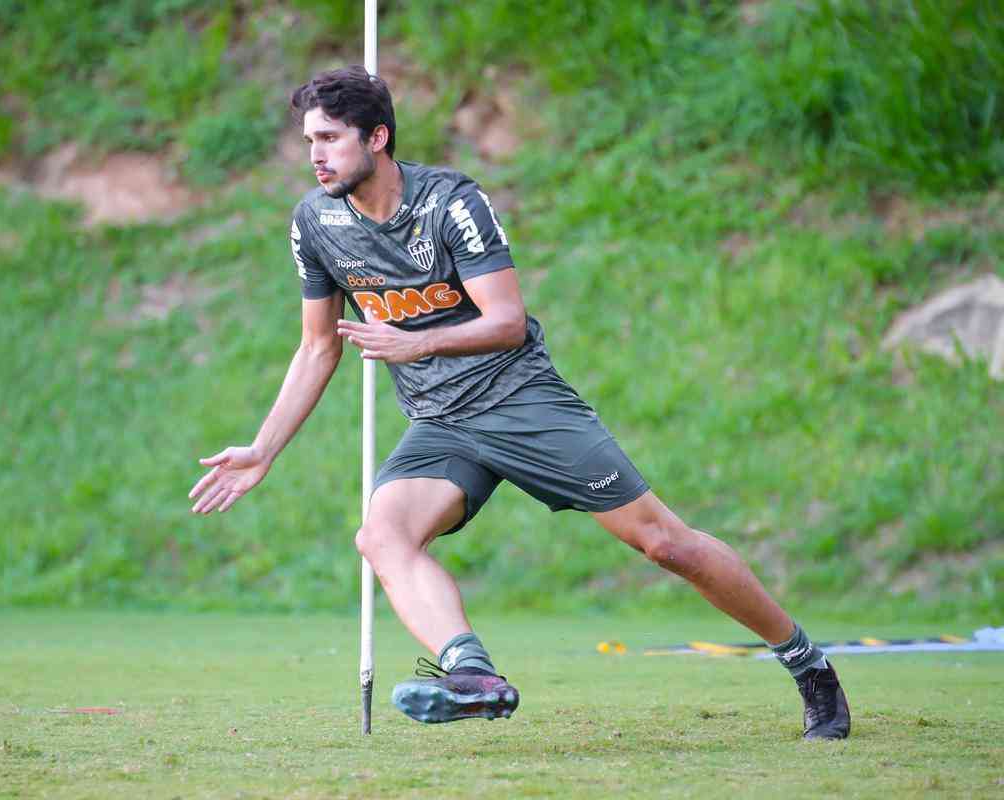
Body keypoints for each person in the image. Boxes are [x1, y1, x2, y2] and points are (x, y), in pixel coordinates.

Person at [189, 65, 850, 739]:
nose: (316, 156)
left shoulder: (451, 203)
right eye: (308, 141)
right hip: (441, 425)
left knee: (665, 546)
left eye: (330, 138)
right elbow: (317, 348)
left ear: (378, 136)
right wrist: (262, 450)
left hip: (521, 400)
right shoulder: (315, 221)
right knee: (381, 535)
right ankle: (472, 674)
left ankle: (806, 662)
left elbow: (506, 320)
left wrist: (417, 346)